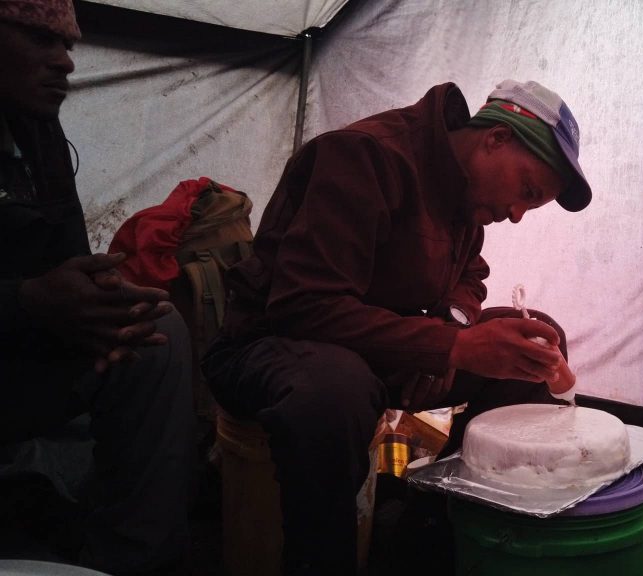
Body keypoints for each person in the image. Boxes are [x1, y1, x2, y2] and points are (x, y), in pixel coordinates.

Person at [202, 78, 592, 574]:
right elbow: (304, 305)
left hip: (379, 354)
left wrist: (450, 327)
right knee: (334, 388)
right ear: (497, 138)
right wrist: (448, 347)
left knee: (532, 347)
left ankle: (425, 531)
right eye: (527, 191)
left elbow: (470, 275)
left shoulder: (466, 195)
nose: (516, 215)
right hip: (269, 345)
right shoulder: (366, 157)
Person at [0, 1, 195, 574]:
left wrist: (103, 306)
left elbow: (68, 254)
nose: (64, 63)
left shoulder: (37, 131)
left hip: (22, 342)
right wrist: (28, 302)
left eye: (69, 46)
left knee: (158, 332)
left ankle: (130, 560)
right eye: (39, 40)